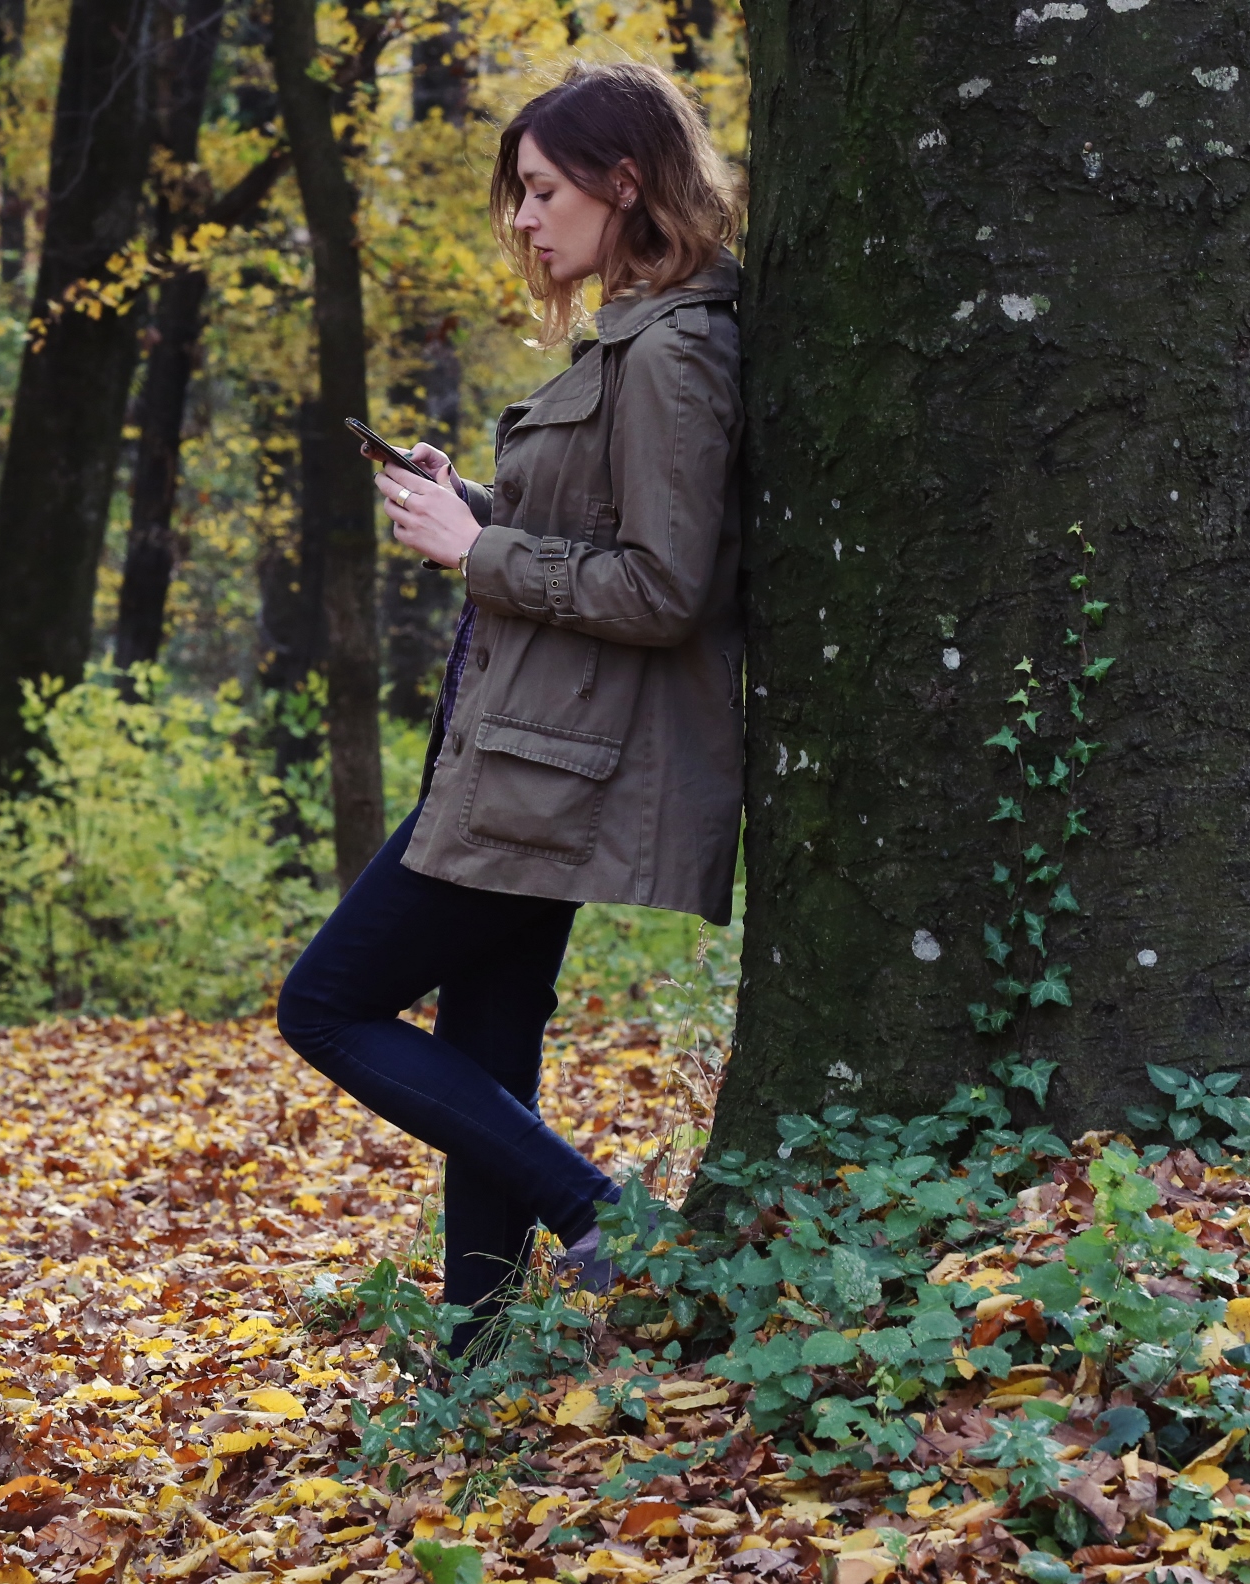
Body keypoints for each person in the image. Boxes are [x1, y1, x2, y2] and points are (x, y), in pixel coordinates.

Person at [275, 59, 745, 1358]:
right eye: (516, 196)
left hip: (549, 765)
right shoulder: (633, 335)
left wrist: (470, 553)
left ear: (623, 180)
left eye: (541, 191)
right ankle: (474, 1353)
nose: (524, 220)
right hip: (520, 743)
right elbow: (596, 533)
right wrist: (474, 506)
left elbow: (664, 587)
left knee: (322, 1005)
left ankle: (601, 1216)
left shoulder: (675, 352)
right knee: (484, 1049)